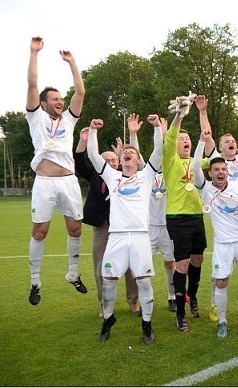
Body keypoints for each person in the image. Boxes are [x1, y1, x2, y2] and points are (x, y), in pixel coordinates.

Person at [87, 114, 163, 344]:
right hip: (117, 238)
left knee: (143, 282)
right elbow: (92, 154)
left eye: (133, 152)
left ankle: (147, 324)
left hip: (140, 237)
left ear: (139, 160)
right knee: (108, 280)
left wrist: (158, 127)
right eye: (125, 152)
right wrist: (92, 131)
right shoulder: (112, 177)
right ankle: (108, 318)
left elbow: (159, 151)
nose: (128, 152)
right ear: (120, 159)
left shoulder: (146, 176)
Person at [25, 36, 87, 305]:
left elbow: (81, 93)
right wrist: (34, 53)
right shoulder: (35, 116)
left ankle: (73, 274)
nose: (60, 101)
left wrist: (72, 63)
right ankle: (35, 282)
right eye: (55, 99)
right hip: (45, 182)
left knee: (75, 229)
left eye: (62, 98)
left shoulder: (69, 120)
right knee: (40, 232)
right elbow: (32, 84)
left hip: (69, 181)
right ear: (44, 103)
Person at [193, 131, 238, 338]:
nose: (220, 172)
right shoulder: (206, 189)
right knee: (221, 282)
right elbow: (194, 167)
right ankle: (222, 321)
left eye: (223, 169)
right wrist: (202, 142)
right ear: (210, 173)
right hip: (222, 244)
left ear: (227, 171)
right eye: (216, 170)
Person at [74, 127, 139, 317]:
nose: (111, 163)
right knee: (101, 266)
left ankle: (133, 301)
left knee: (130, 265)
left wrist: (124, 152)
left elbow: (137, 162)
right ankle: (104, 303)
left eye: (114, 160)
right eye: (107, 160)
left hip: (123, 225)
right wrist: (84, 141)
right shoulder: (94, 174)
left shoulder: (125, 176)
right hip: (101, 226)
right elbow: (78, 162)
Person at [162, 94, 208, 332]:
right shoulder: (169, 160)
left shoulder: (198, 162)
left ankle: (192, 296)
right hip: (177, 218)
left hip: (197, 216)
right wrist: (179, 116)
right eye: (182, 138)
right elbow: (169, 139)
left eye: (187, 138)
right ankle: (180, 313)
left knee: (198, 261)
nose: (185, 140)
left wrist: (202, 115)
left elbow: (209, 144)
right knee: (182, 265)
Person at [127, 115, 177, 313]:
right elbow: (135, 155)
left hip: (167, 226)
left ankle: (172, 296)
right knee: (141, 263)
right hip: (148, 227)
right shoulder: (146, 173)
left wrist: (165, 135)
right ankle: (143, 299)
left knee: (170, 262)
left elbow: (168, 151)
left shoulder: (171, 170)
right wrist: (133, 134)